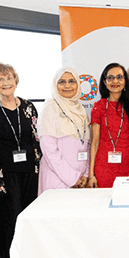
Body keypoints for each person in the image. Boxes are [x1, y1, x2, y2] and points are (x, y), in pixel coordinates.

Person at [0, 63, 41, 258]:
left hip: (29, 171)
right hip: (3, 174)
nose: (6, 83)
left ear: (16, 80)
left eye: (9, 78)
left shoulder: (28, 106)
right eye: (0, 79)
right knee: (8, 220)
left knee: (27, 219)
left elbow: (34, 136)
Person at [88, 63, 129, 188]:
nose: (115, 81)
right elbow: (94, 141)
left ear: (125, 81)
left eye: (119, 77)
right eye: (110, 78)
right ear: (105, 82)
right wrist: (91, 174)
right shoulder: (98, 107)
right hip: (104, 168)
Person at [38, 67, 89, 195]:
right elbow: (49, 151)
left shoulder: (80, 110)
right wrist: (72, 178)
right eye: (62, 82)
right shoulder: (50, 108)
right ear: (55, 85)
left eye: (72, 81)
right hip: (57, 180)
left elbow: (85, 146)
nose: (67, 86)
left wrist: (85, 174)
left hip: (80, 180)